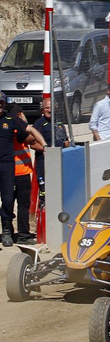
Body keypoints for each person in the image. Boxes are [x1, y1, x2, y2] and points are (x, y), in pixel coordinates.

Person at [8, 105, 44, 245]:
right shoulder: (19, 130)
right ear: (20, 114)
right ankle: (23, 234)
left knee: (8, 204)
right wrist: (25, 123)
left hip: (9, 173)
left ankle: (9, 232)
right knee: (23, 204)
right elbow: (33, 139)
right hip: (21, 172)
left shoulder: (8, 129)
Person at [0, 94, 33, 247]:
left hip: (17, 171)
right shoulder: (15, 128)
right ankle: (14, 232)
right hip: (17, 171)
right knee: (15, 203)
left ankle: (17, 232)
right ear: (19, 114)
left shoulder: (11, 124)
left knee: (12, 202)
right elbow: (30, 138)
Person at [31, 98, 69, 218]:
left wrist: (66, 144)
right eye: (47, 108)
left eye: (51, 107)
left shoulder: (59, 123)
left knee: (59, 190)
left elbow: (66, 140)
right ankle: (42, 219)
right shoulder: (39, 124)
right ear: (43, 109)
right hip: (44, 163)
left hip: (59, 161)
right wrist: (47, 150)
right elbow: (32, 144)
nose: (49, 110)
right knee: (45, 192)